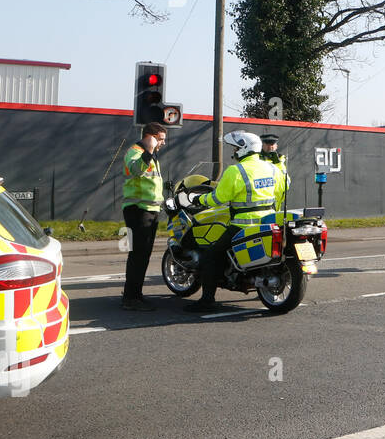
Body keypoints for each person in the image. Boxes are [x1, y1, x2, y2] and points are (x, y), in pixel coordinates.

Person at [184, 131, 281, 312]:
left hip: (242, 224)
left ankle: (207, 300)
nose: (235, 151)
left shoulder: (236, 170)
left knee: (210, 256)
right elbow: (282, 190)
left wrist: (199, 200)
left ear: (244, 149)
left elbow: (219, 198)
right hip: (267, 222)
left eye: (236, 148)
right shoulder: (273, 168)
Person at [121, 122, 167, 311]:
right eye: (160, 139)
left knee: (143, 255)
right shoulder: (136, 151)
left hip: (149, 210)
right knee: (138, 255)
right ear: (150, 137)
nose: (163, 143)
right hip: (138, 210)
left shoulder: (151, 155)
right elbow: (136, 170)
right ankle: (130, 298)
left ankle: (136, 295)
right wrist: (148, 151)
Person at [260, 133, 290, 224]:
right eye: (267, 145)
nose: (270, 147)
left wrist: (278, 163)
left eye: (272, 145)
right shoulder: (257, 160)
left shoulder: (281, 160)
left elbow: (285, 183)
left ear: (276, 146)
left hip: (277, 205)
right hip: (264, 205)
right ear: (262, 145)